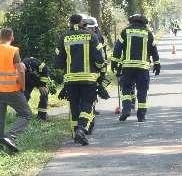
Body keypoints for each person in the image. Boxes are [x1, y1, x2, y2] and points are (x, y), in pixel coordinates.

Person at [55, 14, 106, 145]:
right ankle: (81, 129)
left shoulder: (63, 37)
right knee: (88, 104)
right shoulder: (91, 36)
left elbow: (59, 62)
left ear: (70, 23)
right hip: (88, 78)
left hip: (70, 79)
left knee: (74, 106)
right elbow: (100, 59)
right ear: (82, 22)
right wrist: (100, 71)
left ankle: (75, 134)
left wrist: (65, 74)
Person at [111, 13, 160, 122]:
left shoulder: (125, 32)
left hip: (128, 67)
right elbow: (154, 50)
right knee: (142, 90)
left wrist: (114, 63)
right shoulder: (148, 33)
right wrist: (157, 64)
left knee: (126, 88)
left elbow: (117, 49)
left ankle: (127, 108)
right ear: (144, 22)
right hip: (142, 68)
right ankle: (141, 115)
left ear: (131, 21)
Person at [0, 28, 32, 153]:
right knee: (26, 114)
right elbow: (21, 71)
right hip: (12, 89)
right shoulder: (13, 50)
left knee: (1, 118)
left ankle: (3, 142)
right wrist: (23, 88)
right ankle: (10, 136)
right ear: (11, 37)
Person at [22, 56, 56, 121]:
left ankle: (42, 116)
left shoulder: (34, 63)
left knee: (44, 93)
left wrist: (42, 85)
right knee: (24, 96)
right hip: (28, 81)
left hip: (40, 79)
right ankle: (22, 114)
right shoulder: (19, 70)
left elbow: (45, 69)